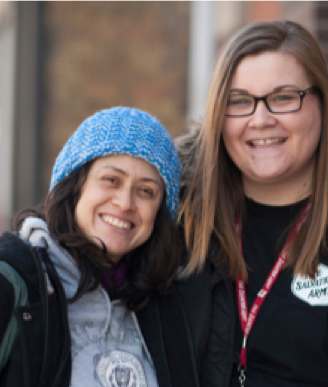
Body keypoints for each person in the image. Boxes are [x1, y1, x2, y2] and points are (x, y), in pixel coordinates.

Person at [176, 20, 328, 387]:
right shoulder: (175, 209)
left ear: (322, 103)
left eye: (283, 98)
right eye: (239, 101)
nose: (260, 119)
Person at [0, 107, 200, 387]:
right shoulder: (12, 281)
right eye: (111, 180)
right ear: (74, 184)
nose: (125, 203)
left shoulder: (166, 305)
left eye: (145, 191)